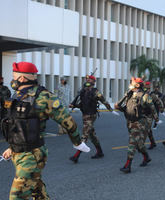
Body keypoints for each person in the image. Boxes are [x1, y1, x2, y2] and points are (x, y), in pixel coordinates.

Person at [1, 62, 89, 200]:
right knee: (38, 192)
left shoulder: (44, 96)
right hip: (19, 152)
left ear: (22, 79)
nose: (12, 79)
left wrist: (77, 142)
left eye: (14, 76)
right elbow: (17, 126)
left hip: (32, 155)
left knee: (16, 196)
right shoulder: (17, 95)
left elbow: (67, 121)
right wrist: (12, 148)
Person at [115, 77, 159, 173]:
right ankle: (146, 157)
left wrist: (156, 120)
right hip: (130, 121)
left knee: (132, 142)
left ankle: (128, 165)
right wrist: (119, 104)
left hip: (139, 122)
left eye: (132, 82)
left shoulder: (145, 96)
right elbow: (123, 107)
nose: (130, 83)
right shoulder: (129, 94)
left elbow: (153, 108)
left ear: (137, 85)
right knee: (139, 143)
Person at [69, 75, 113, 163]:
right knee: (92, 135)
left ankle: (76, 156)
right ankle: (100, 152)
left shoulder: (96, 92)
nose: (88, 80)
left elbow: (104, 101)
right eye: (87, 79)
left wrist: (110, 109)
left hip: (91, 115)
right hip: (85, 114)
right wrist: (74, 105)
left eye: (90, 79)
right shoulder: (83, 91)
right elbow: (82, 104)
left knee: (84, 135)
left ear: (93, 82)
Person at [144, 81, 163, 149]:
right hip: (143, 115)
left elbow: (159, 102)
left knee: (147, 129)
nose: (147, 90)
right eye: (146, 88)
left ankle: (142, 144)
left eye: (148, 88)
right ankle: (153, 143)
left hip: (150, 114)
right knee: (148, 130)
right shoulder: (142, 95)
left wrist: (161, 109)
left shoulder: (152, 95)